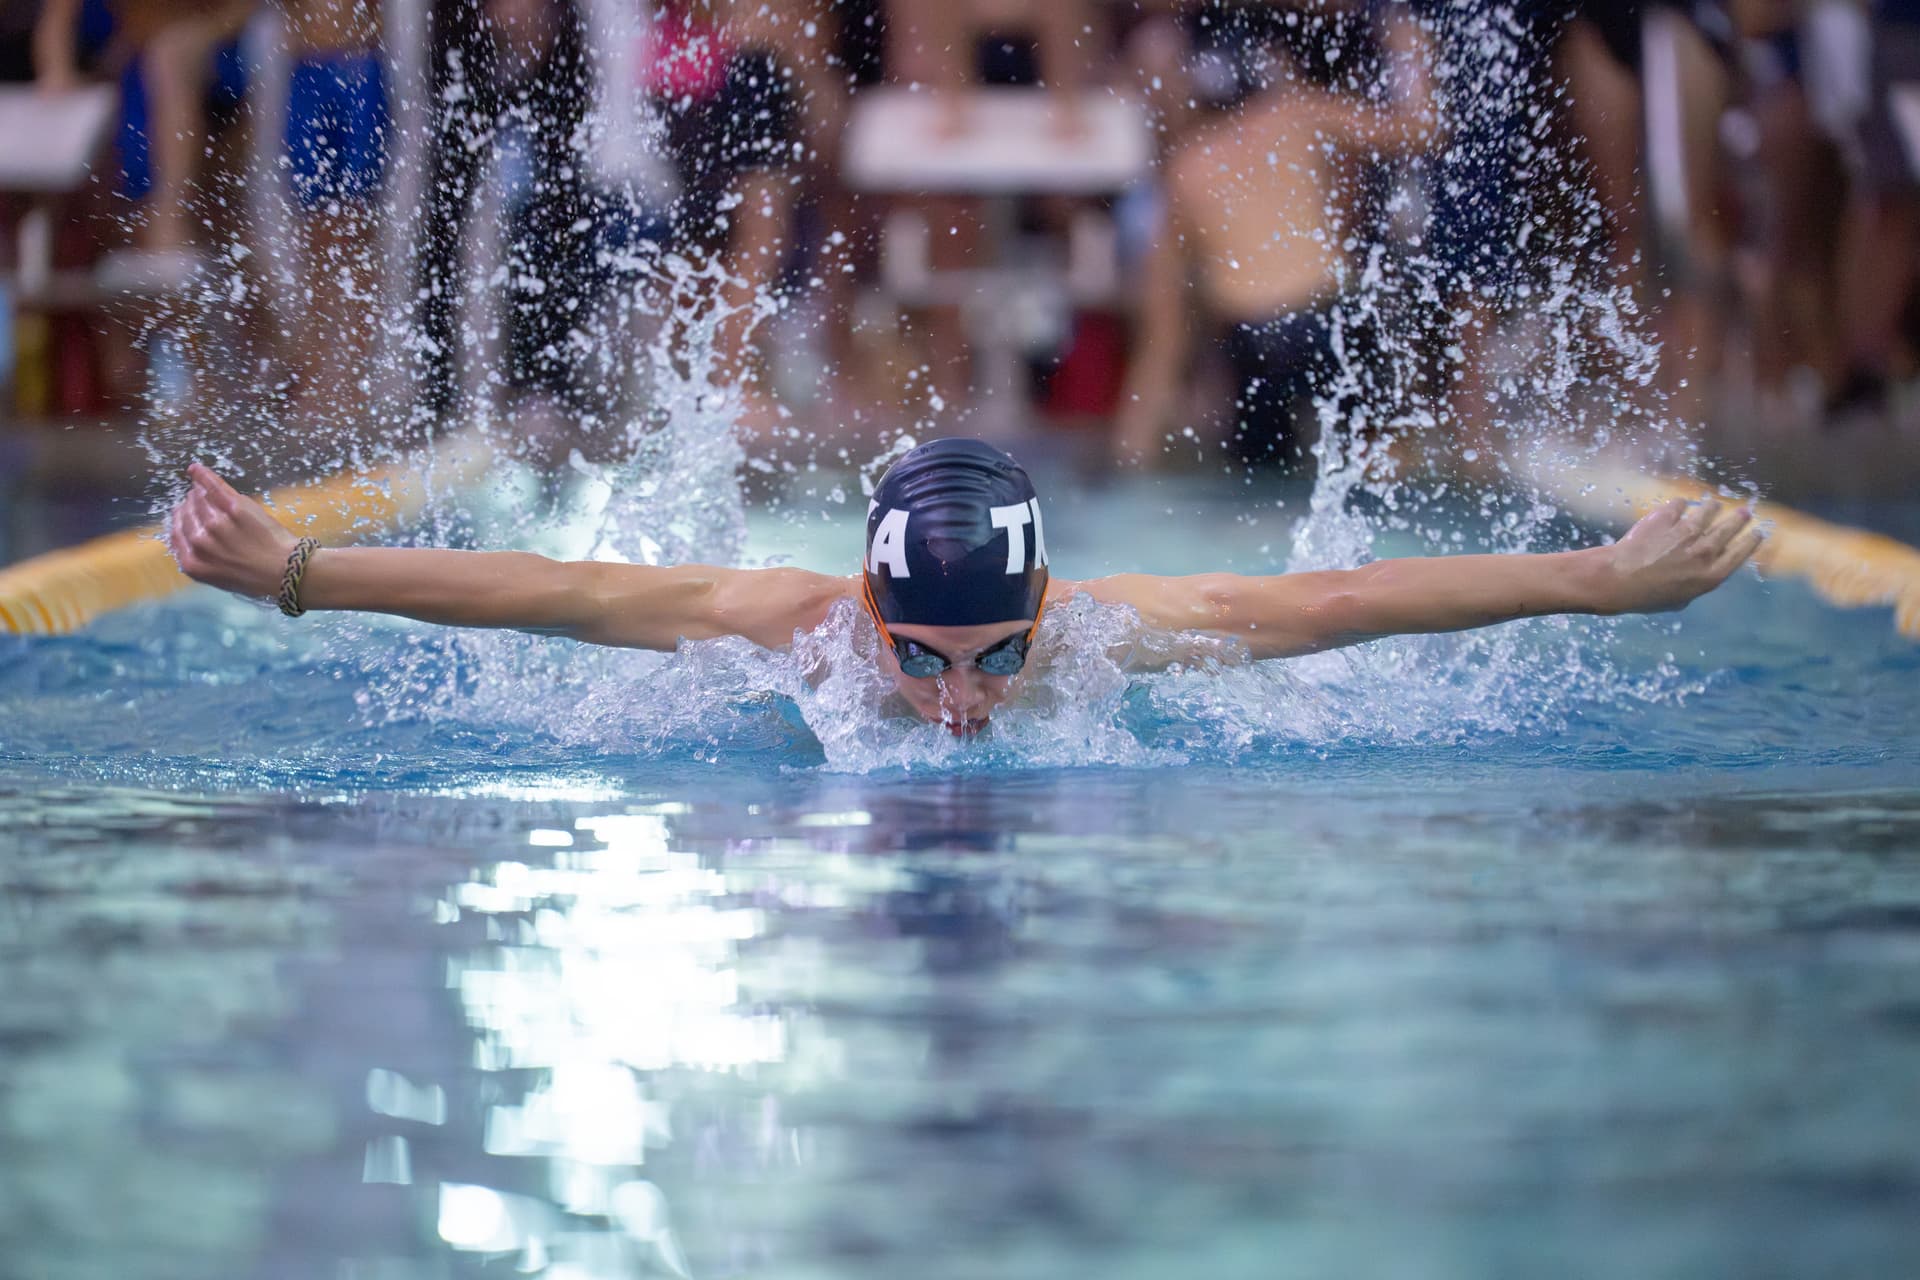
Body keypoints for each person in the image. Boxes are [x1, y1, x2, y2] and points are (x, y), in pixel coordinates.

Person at [167, 438, 1765, 736]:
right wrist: (295, 570)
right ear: (863, 615)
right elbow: (546, 590)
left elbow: (1341, 603)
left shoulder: (1099, 631)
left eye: (994, 653)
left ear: (1044, 604)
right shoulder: (790, 624)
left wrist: (1599, 583)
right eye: (920, 659)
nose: (957, 702)